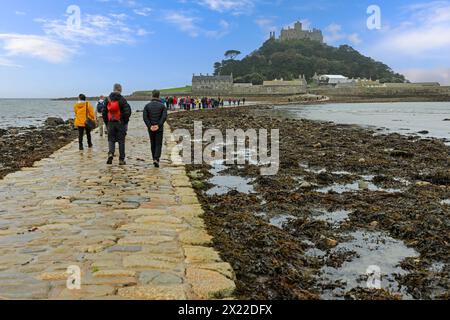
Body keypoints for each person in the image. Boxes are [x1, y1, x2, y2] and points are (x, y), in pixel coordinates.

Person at [102, 83, 132, 166]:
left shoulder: (107, 99)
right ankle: (121, 160)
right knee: (121, 141)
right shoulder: (122, 99)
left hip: (110, 123)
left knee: (111, 140)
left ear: (113, 89)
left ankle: (111, 154)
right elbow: (127, 112)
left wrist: (107, 122)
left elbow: (104, 112)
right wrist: (123, 121)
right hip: (120, 123)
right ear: (120, 90)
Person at [143, 90, 168, 168]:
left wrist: (150, 126)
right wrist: (158, 125)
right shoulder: (162, 106)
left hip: (151, 128)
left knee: (152, 143)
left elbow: (145, 117)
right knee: (158, 144)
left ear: (152, 95)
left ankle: (154, 158)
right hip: (159, 128)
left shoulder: (147, 106)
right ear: (159, 96)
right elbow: (164, 117)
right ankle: (156, 159)